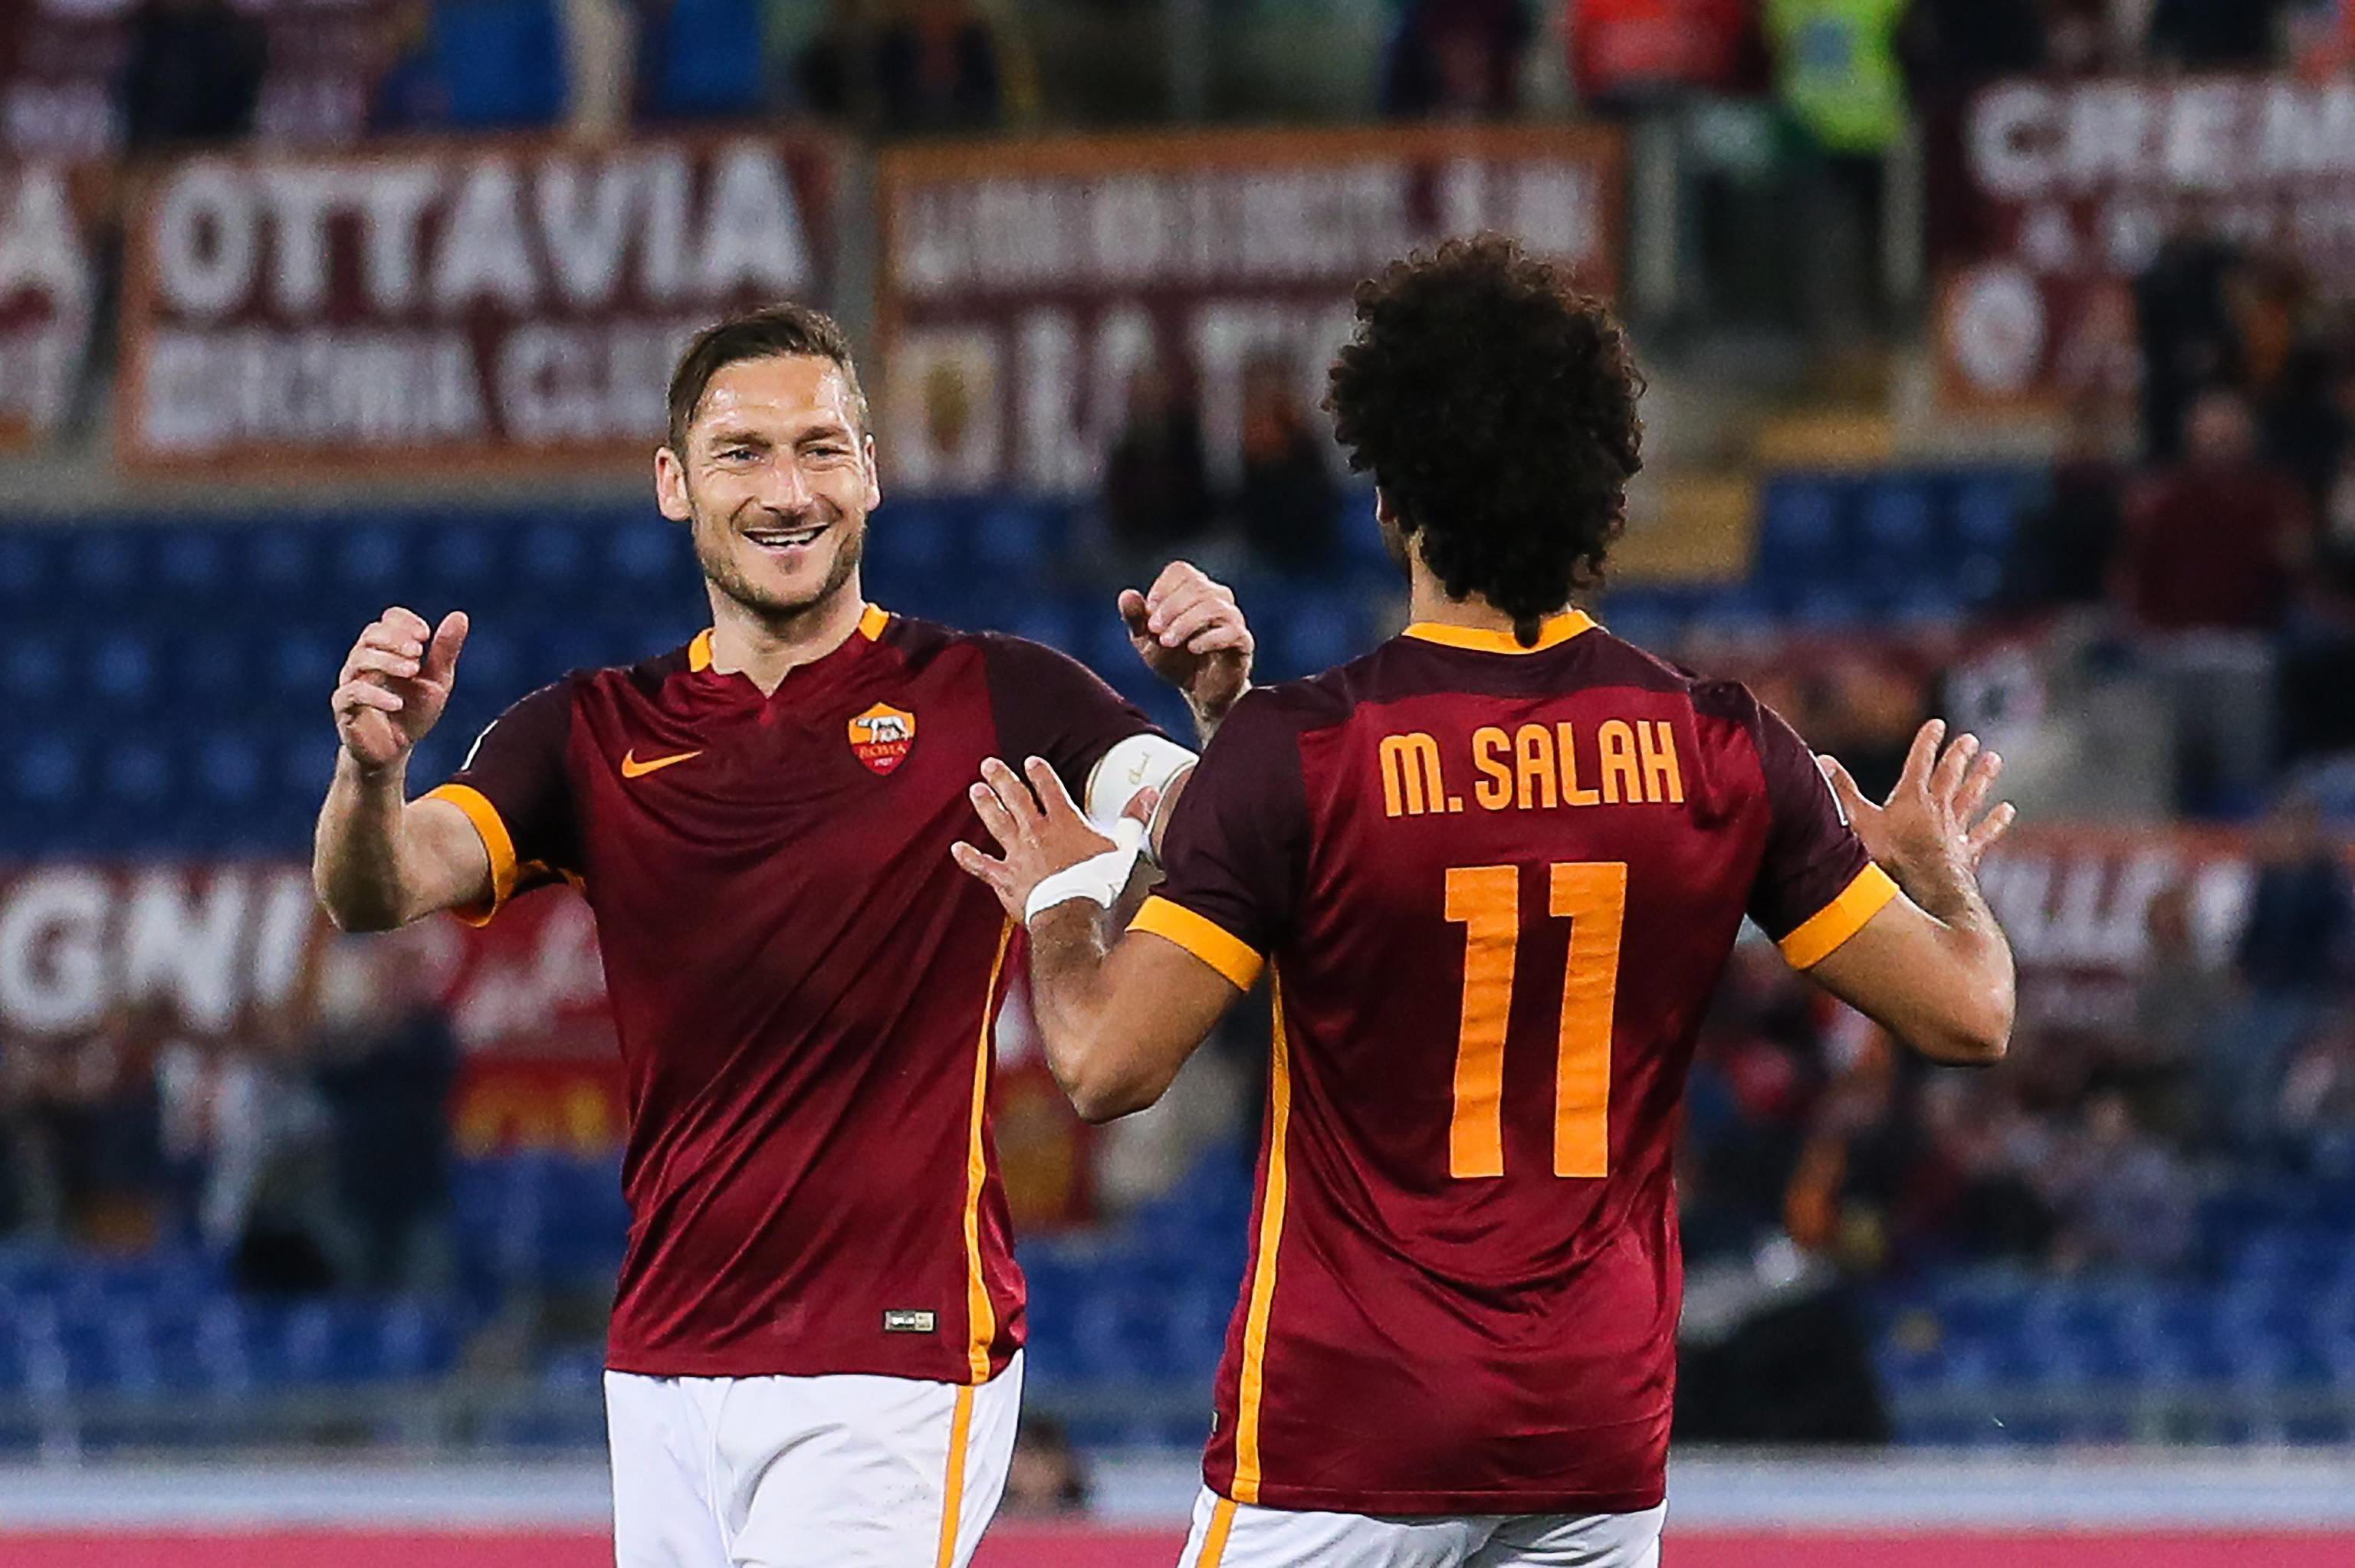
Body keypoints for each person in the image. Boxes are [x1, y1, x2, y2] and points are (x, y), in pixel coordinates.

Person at [953, 238, 2017, 1568]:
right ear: (1604, 493)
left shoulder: (1306, 754)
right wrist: (1944, 881)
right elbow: (1974, 1015)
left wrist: (1065, 896)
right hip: (1592, 1436)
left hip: (1344, 1433)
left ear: (1393, 491)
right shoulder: (1726, 748)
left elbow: (1107, 1063)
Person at [311, 303, 1253, 1568]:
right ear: (673, 483)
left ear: (870, 472)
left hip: (899, 1351)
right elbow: (377, 887)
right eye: (743, 452)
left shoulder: (998, 692)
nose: (787, 487)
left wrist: (1222, 710)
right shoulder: (587, 730)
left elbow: (1218, 824)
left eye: (820, 448)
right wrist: (371, 774)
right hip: (663, 1363)